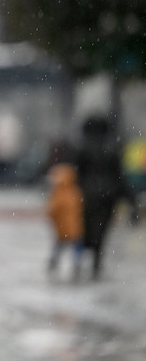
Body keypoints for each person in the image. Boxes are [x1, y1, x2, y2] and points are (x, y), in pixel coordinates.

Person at [75, 116, 133, 280]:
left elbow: (76, 173)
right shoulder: (112, 149)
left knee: (83, 228)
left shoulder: (82, 148)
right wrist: (130, 199)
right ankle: (96, 262)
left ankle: (79, 260)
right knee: (101, 230)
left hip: (86, 195)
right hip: (107, 197)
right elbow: (120, 177)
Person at [45, 163, 84, 279]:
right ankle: (76, 262)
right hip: (75, 227)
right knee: (76, 245)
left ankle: (53, 262)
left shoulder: (58, 193)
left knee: (58, 245)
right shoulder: (75, 191)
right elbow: (80, 208)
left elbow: (51, 210)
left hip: (62, 228)